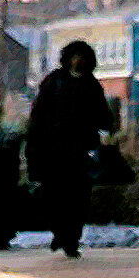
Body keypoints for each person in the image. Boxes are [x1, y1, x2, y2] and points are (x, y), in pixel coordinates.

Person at [26, 40, 114, 258]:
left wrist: (103, 133)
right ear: (67, 59)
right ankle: (60, 232)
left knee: (78, 198)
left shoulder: (92, 86)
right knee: (54, 196)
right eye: (75, 56)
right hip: (53, 151)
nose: (78, 60)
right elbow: (37, 116)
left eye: (82, 56)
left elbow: (104, 116)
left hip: (80, 152)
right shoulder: (53, 82)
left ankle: (71, 239)